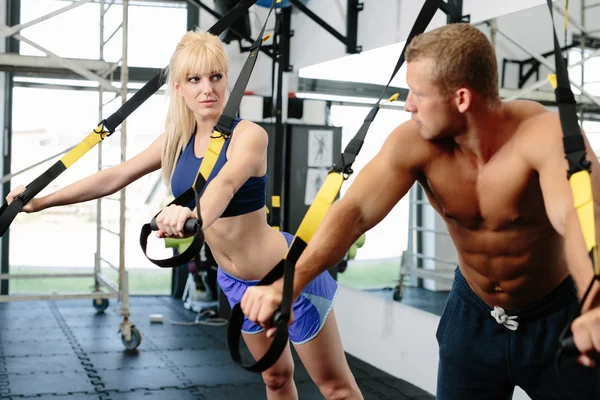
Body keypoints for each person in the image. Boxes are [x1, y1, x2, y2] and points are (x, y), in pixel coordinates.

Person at [239, 23, 600, 399]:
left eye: (419, 93)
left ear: (461, 98)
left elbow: (580, 215)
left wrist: (595, 301)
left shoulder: (544, 135)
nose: (408, 104)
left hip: (557, 320)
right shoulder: (415, 142)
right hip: (472, 318)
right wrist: (289, 283)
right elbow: (355, 210)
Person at [6, 29, 362, 400]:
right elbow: (115, 175)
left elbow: (224, 184)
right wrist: (41, 200)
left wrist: (191, 214)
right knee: (275, 378)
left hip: (287, 275)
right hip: (236, 283)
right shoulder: (177, 139)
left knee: (336, 389)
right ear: (179, 87)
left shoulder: (249, 136)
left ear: (227, 80)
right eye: (194, 79)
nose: (206, 89)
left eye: (215, 77)